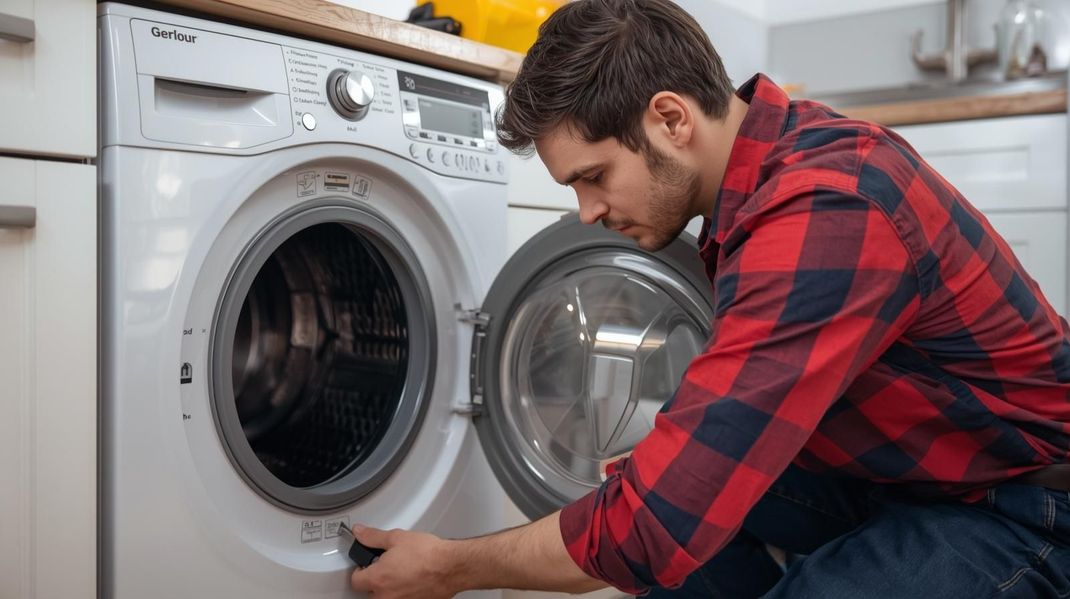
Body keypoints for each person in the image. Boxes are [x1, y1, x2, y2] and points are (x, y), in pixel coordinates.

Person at [349, 0, 1070, 596]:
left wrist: (450, 566)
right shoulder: (772, 168)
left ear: (671, 119)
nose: (587, 211)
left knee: (652, 524)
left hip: (1023, 503)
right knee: (650, 502)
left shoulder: (828, 209)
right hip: (903, 472)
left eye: (593, 176)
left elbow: (650, 527)